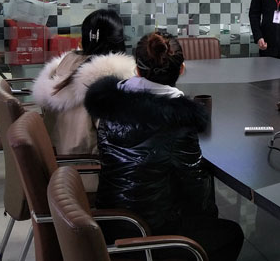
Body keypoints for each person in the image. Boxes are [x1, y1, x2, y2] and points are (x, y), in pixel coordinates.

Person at [84, 32, 244, 261]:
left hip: (112, 220)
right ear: (182, 69)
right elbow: (196, 192)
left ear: (137, 70)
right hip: (148, 235)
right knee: (231, 233)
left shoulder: (110, 103)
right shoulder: (178, 122)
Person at [32, 8, 135, 155]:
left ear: (83, 38)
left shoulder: (65, 65)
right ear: (119, 39)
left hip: (57, 155)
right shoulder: (111, 80)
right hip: (91, 162)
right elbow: (118, 138)